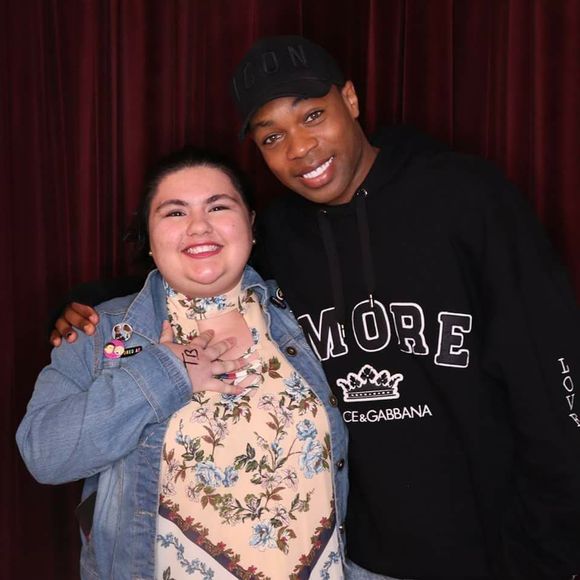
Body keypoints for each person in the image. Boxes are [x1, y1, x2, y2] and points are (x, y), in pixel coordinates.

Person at [49, 36, 580, 579]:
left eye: (313, 116)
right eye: (272, 136)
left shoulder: (468, 199)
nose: (300, 148)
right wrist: (88, 306)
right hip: (364, 562)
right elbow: (204, 269)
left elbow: (550, 383)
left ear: (350, 99)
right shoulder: (282, 236)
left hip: (496, 551)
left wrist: (553, 553)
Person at [17, 146, 348, 579]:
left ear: (250, 224)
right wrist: (164, 373)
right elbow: (44, 454)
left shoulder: (310, 316)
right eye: (174, 212)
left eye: (218, 206)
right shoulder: (98, 333)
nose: (198, 226)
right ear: (149, 238)